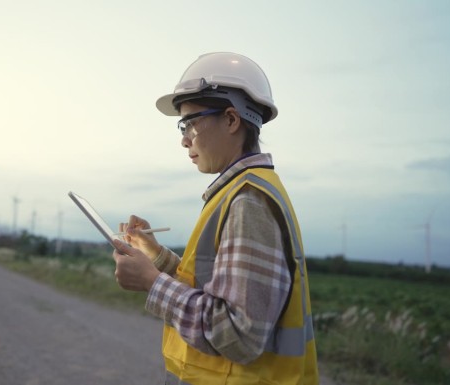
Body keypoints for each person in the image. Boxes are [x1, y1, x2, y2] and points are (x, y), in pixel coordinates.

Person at [112, 52, 319, 385]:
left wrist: (152, 282)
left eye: (190, 123)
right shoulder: (238, 192)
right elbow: (214, 289)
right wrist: (156, 258)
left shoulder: (248, 201)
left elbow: (239, 334)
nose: (183, 139)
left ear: (232, 120)